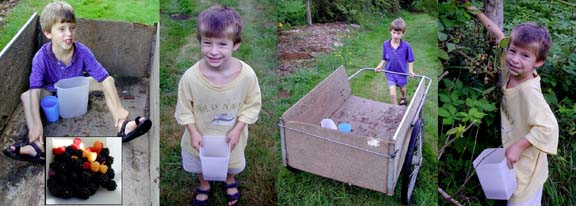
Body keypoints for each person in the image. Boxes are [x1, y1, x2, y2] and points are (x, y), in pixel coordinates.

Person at [3, 1, 152, 163]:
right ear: (48, 33)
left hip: (75, 89)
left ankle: (122, 124)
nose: (69, 34)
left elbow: (104, 77)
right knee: (26, 96)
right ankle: (36, 144)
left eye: (72, 28)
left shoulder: (81, 51)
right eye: (62, 29)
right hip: (51, 92)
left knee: (107, 80)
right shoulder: (41, 57)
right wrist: (37, 123)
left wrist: (120, 108)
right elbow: (35, 90)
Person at [467, 5, 559, 205]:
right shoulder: (512, 69)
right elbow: (500, 36)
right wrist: (474, 10)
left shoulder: (529, 92)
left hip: (527, 168)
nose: (515, 59)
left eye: (525, 56)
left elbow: (549, 128)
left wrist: (518, 146)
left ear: (539, 62)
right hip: (519, 160)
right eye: (513, 51)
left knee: (520, 198)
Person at [174, 5, 261, 206]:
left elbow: (253, 105)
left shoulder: (247, 75)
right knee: (199, 164)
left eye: (222, 44)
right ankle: (204, 184)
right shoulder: (190, 78)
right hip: (200, 137)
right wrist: (193, 132)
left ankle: (229, 180)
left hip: (231, 137)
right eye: (207, 43)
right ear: (200, 41)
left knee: (230, 164)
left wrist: (239, 129)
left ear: (236, 44)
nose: (213, 51)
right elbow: (184, 109)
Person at [374, 17, 415, 105]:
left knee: (402, 88)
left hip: (401, 72)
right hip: (390, 72)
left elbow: (410, 60)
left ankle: (403, 97)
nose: (396, 35)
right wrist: (380, 66)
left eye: (398, 33)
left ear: (403, 34)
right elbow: (384, 58)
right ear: (390, 31)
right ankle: (395, 110)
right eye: (394, 33)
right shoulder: (386, 44)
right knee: (392, 93)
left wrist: (411, 71)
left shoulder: (406, 46)